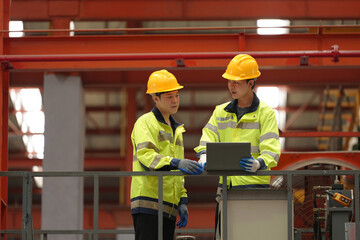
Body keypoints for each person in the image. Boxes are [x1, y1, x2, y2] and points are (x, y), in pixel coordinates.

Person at [194, 54, 281, 239]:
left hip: (254, 189)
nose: (231, 86)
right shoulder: (220, 112)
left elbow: (272, 149)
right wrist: (203, 155)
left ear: (251, 83)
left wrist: (260, 163)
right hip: (226, 187)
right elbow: (207, 137)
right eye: (229, 82)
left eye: (237, 82)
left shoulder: (266, 114)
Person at [131, 69, 204, 240]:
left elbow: (177, 174)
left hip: (169, 206)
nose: (175, 100)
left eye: (177, 95)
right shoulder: (145, 123)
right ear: (155, 98)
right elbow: (146, 156)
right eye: (169, 97)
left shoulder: (176, 129)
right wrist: (177, 162)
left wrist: (182, 200)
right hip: (148, 201)